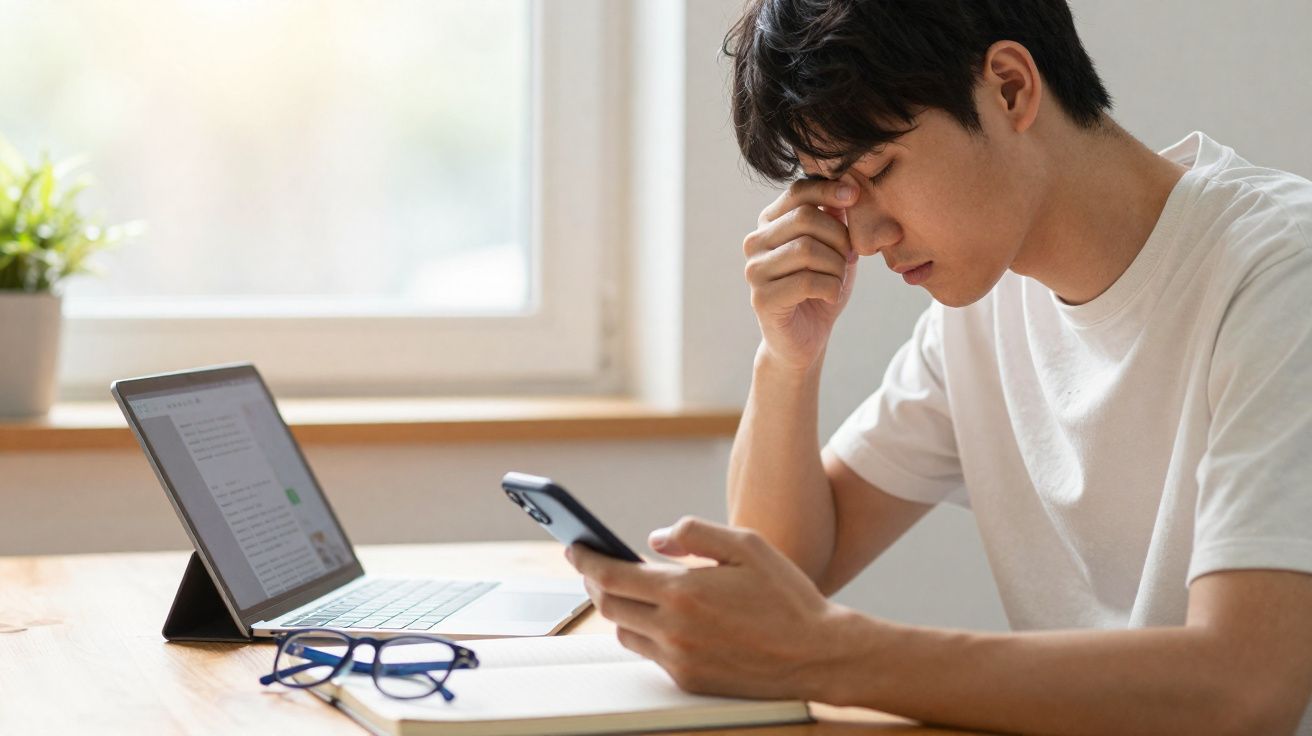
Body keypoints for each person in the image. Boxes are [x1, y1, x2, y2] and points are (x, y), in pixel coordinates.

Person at [566, 0, 1312, 733]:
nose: (863, 237)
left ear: (1010, 88)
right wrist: (788, 358)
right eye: (837, 193)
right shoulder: (985, 309)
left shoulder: (1280, 272)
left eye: (878, 169)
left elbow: (1247, 687)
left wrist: (829, 654)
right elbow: (785, 571)